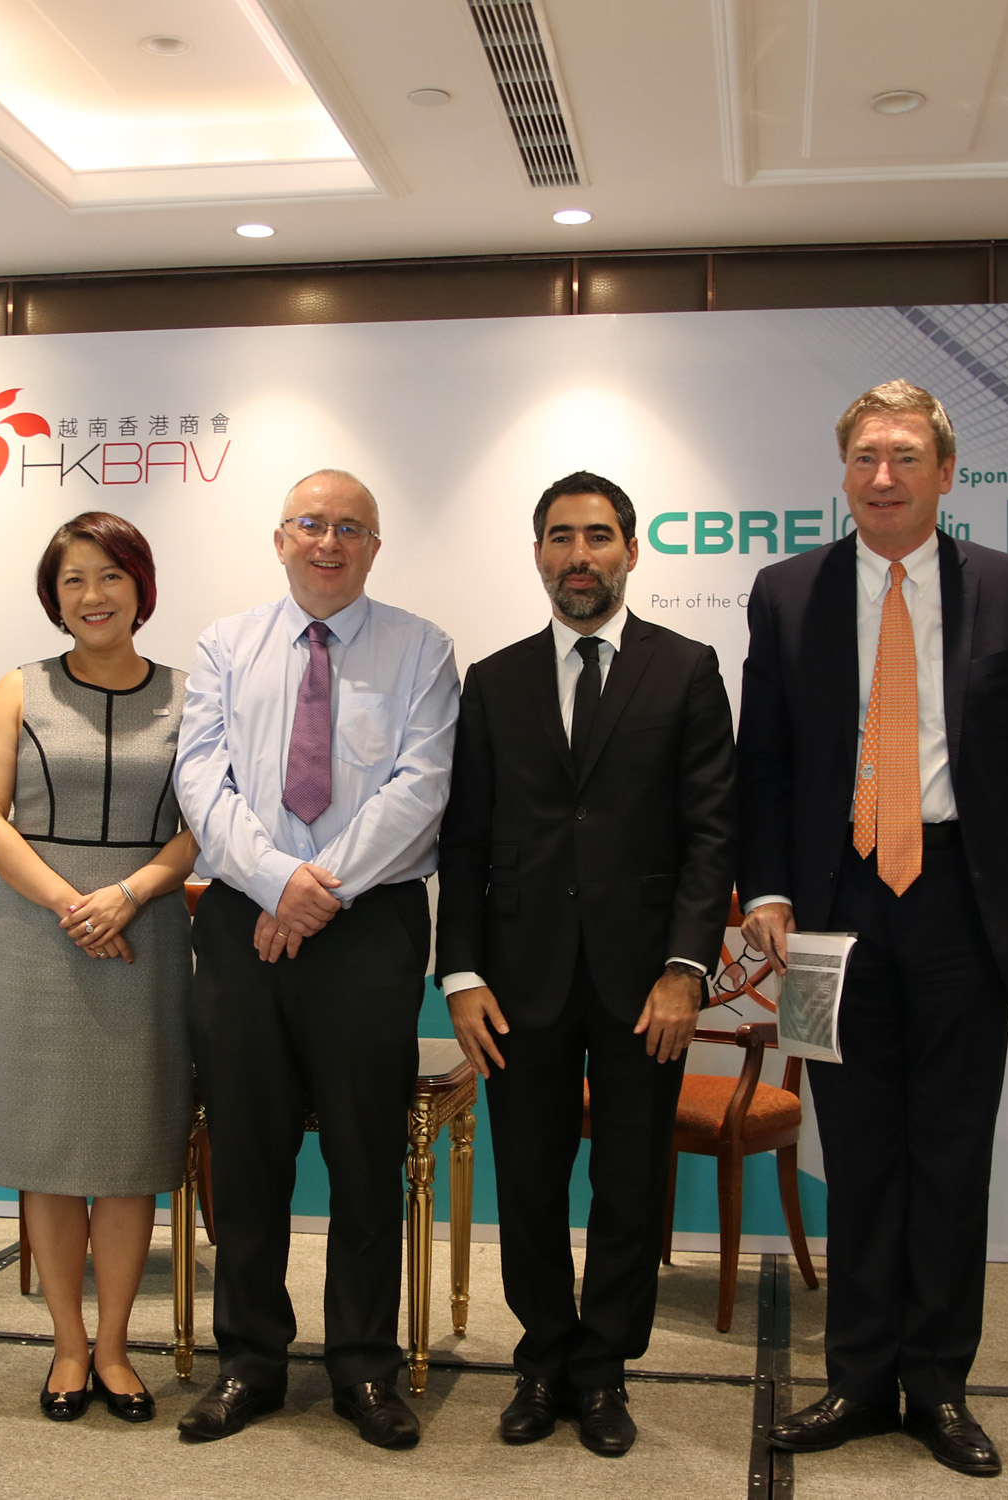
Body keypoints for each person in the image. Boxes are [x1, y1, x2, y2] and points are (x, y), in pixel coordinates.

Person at [741, 381, 1008, 1477]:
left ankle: (936, 1383)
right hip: (835, 907)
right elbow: (764, 763)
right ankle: (856, 1378)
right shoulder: (787, 591)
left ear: (945, 472)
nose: (882, 478)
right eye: (864, 458)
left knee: (949, 1154)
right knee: (857, 1154)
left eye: (903, 457)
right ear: (843, 473)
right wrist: (766, 888)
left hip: (960, 901)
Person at [436, 472, 735, 1458]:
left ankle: (603, 1368)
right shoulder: (495, 680)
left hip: (646, 982)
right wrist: (461, 973)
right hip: (517, 981)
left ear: (630, 551)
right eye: (560, 537)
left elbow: (710, 834)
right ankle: (541, 1361)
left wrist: (687, 969)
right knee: (528, 1181)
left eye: (598, 536)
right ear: (537, 554)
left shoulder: (685, 669)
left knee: (628, 1180)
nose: (579, 555)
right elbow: (464, 840)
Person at [172, 469, 458, 1449]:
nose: (328, 542)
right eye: (311, 524)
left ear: (374, 547)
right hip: (243, 924)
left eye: (350, 528)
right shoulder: (225, 645)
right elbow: (201, 781)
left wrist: (314, 889)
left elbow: (420, 787)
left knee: (365, 1157)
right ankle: (249, 1362)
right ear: (280, 538)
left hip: (368, 928)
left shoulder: (422, 648)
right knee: (246, 1154)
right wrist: (273, 883)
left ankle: (364, 1367)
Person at [0, 512, 197, 1425]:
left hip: (145, 935)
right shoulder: (18, 689)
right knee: (50, 1154)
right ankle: (68, 1347)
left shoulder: (190, 695)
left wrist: (128, 894)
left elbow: (203, 824)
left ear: (141, 587)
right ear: (52, 597)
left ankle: (115, 1349)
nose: (93, 595)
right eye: (73, 580)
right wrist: (73, 904)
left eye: (110, 576)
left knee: (131, 1155)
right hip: (40, 936)